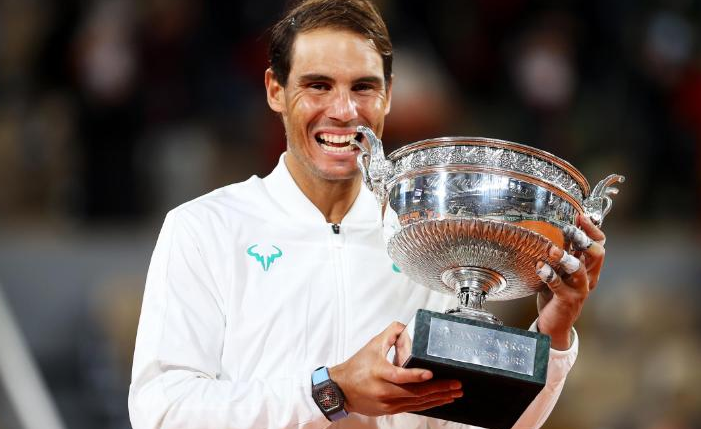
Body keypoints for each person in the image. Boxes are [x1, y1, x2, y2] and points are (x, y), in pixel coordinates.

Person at [128, 0, 608, 428]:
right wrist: (329, 390)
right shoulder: (204, 229)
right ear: (275, 90)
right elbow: (162, 411)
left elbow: (475, 423)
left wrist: (555, 331)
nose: (343, 110)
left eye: (363, 87)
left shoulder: (430, 239)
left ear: (389, 94)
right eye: (318, 85)